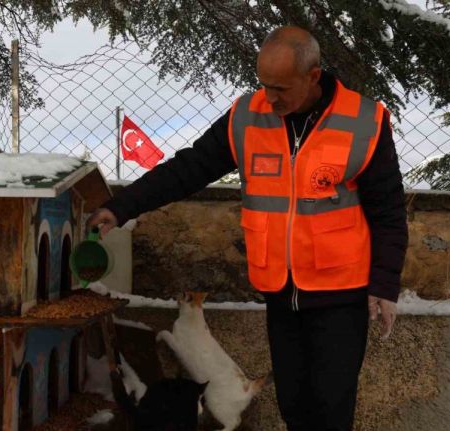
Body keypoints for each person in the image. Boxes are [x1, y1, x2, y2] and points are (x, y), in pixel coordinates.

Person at [87, 26, 408, 430]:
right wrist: (122, 208)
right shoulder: (247, 116)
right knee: (293, 404)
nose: (269, 97)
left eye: (280, 88)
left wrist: (384, 284)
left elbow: (389, 212)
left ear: (312, 76)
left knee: (330, 406)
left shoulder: (363, 121)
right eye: (263, 85)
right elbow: (189, 168)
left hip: (340, 295)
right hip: (280, 293)